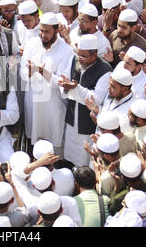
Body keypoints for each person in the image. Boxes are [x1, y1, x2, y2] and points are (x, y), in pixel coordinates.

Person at [21, 12, 73, 156]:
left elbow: (62, 82)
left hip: (53, 105)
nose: (43, 35)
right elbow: (22, 73)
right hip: (33, 102)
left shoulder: (66, 51)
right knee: (34, 142)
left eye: (47, 32)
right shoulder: (31, 45)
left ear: (56, 31)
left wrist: (43, 72)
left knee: (52, 145)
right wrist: (31, 72)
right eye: (41, 31)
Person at [58, 35, 112, 167]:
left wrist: (76, 88)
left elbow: (96, 98)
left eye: (83, 56)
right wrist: (65, 87)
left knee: (83, 158)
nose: (79, 59)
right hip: (72, 117)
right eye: (78, 54)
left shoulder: (105, 70)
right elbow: (63, 81)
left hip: (87, 123)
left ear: (94, 55)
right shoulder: (74, 60)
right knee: (70, 153)